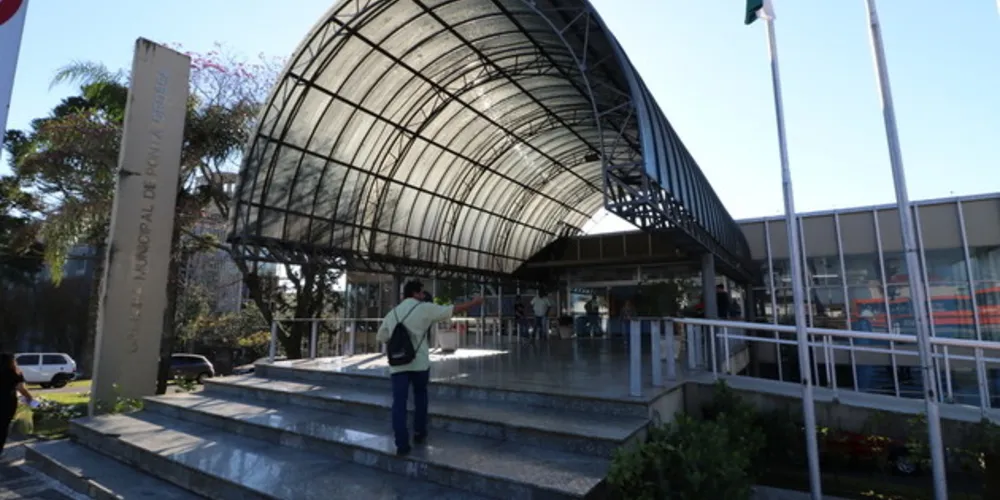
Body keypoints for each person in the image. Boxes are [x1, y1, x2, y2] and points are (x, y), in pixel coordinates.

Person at [376, 281, 484, 455]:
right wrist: (474, 303)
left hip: (398, 365)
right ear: (415, 293)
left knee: (399, 403)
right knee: (420, 396)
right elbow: (452, 310)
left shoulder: (393, 313)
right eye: (421, 292)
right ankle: (419, 432)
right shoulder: (424, 308)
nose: (423, 295)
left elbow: (381, 336)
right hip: (419, 363)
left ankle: (402, 444)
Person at [1, 353, 32, 457]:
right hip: (7, 402)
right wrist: (29, 397)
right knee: (3, 426)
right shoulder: (15, 373)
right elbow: (20, 388)